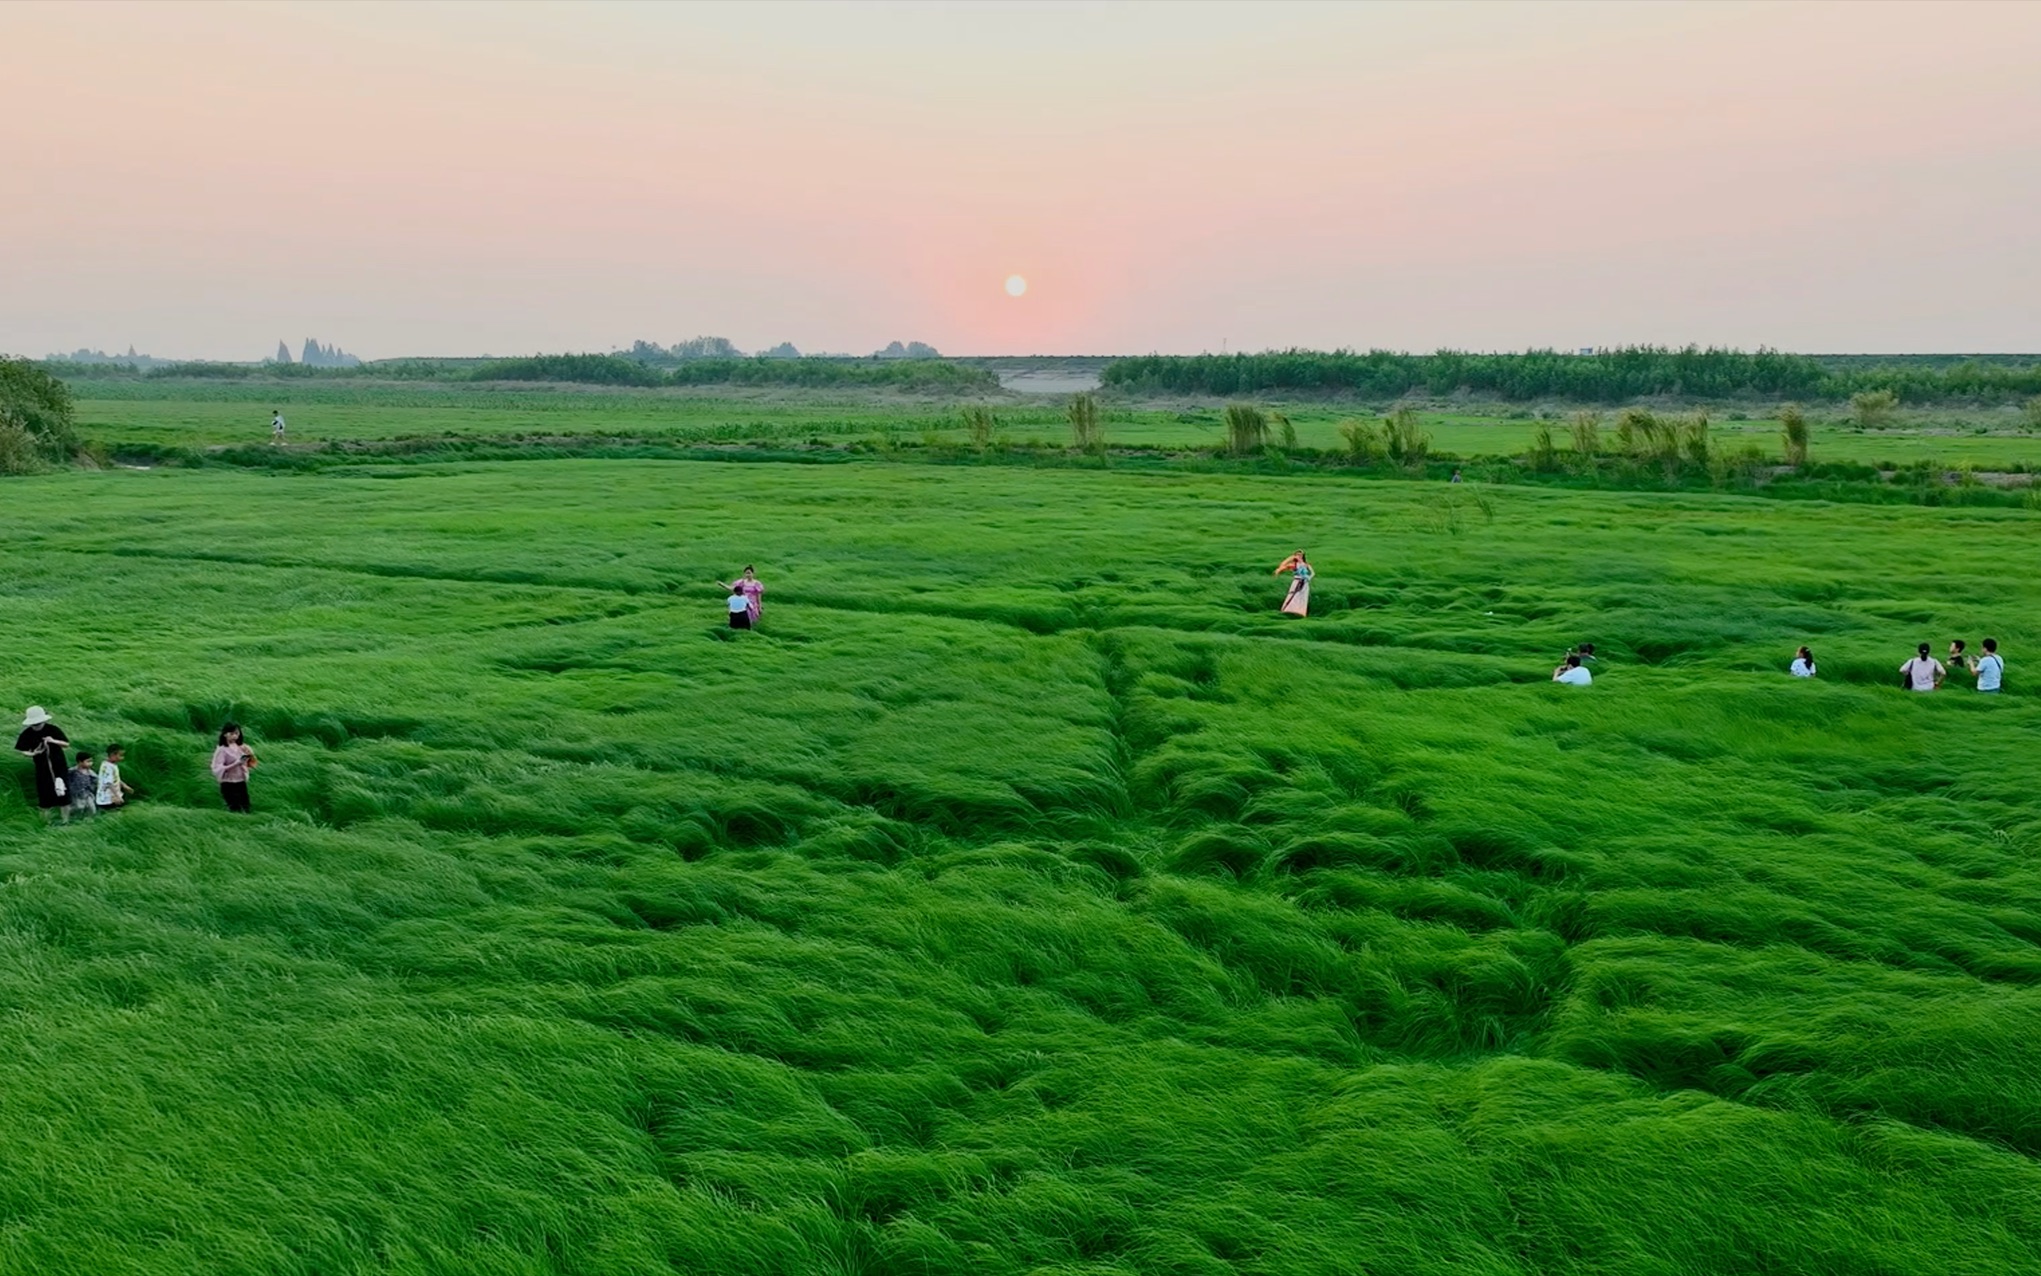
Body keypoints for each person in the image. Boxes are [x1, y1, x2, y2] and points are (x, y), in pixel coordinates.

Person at [14, 706, 73, 823]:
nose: (37, 726)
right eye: (34, 724)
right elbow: (23, 751)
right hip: (42, 768)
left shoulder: (53, 730)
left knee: (63, 794)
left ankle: (65, 820)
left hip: (59, 766)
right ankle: (46, 821)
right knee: (44, 795)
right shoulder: (26, 734)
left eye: (39, 723)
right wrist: (34, 753)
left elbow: (66, 744)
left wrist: (52, 741)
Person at [210, 722, 257, 813]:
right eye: (232, 734)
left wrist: (250, 754)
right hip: (228, 782)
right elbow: (218, 768)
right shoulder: (222, 750)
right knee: (234, 806)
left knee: (246, 805)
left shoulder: (241, 747)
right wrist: (236, 763)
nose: (235, 736)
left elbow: (252, 763)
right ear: (225, 734)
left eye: (237, 733)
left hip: (240, 781)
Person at [96, 744, 135, 810]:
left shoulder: (112, 765)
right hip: (107, 798)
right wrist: (117, 796)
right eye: (120, 755)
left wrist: (124, 786)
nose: (122, 758)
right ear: (113, 755)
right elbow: (108, 783)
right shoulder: (107, 767)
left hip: (113, 795)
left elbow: (115, 778)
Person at [1275, 551, 1312, 617]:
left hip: (1305, 582)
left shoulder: (1306, 565)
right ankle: (1289, 610)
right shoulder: (1294, 565)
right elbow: (1282, 566)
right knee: (1293, 595)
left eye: (1300, 555)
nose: (1298, 556)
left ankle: (1301, 612)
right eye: (1297, 555)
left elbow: (1311, 573)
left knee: (1302, 597)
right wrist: (1290, 558)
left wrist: (1309, 578)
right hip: (1297, 581)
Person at [64, 751, 99, 823]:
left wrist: (94, 786)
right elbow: (66, 778)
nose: (90, 763)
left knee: (92, 807)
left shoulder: (90, 772)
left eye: (91, 761)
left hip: (87, 793)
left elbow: (96, 779)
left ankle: (89, 820)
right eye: (88, 761)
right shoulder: (73, 771)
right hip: (76, 793)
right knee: (79, 807)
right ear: (80, 762)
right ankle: (71, 815)